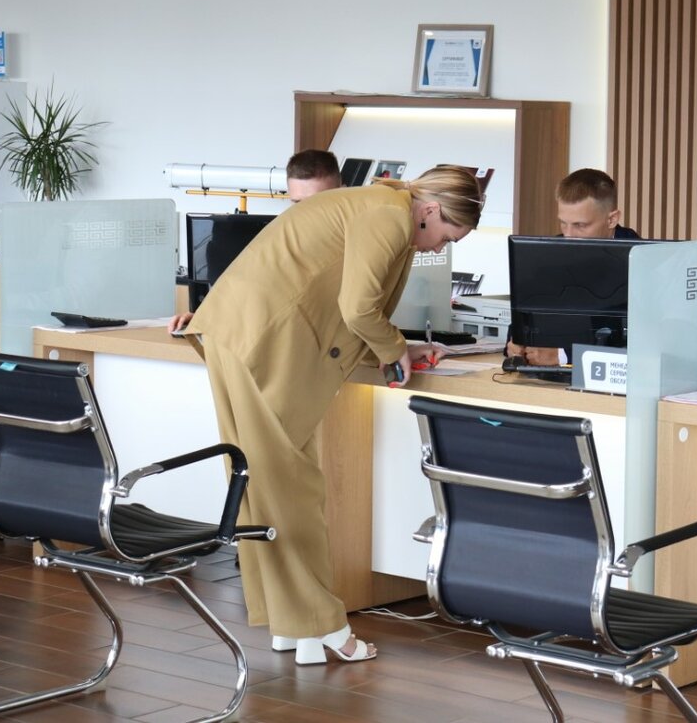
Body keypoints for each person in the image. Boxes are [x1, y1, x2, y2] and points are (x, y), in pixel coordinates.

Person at [183, 165, 483, 665]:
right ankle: (324, 625)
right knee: (289, 488)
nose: (439, 248)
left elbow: (343, 301)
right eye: (447, 237)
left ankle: (295, 625)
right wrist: (392, 349)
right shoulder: (388, 215)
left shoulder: (376, 204)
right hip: (262, 342)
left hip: (245, 336)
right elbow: (359, 307)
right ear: (430, 210)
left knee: (265, 485)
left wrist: (398, 348)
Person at [167, 150, 343, 333]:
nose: (308, 212)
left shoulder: (357, 241)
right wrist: (206, 318)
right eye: (298, 203)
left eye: (320, 202)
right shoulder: (278, 243)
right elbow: (254, 303)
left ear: (344, 191)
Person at [506, 168, 640, 366]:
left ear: (611, 219)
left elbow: (643, 344)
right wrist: (517, 344)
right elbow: (524, 320)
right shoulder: (548, 255)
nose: (568, 235)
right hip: (543, 376)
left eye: (580, 225)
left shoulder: (643, 262)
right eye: (563, 223)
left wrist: (564, 355)